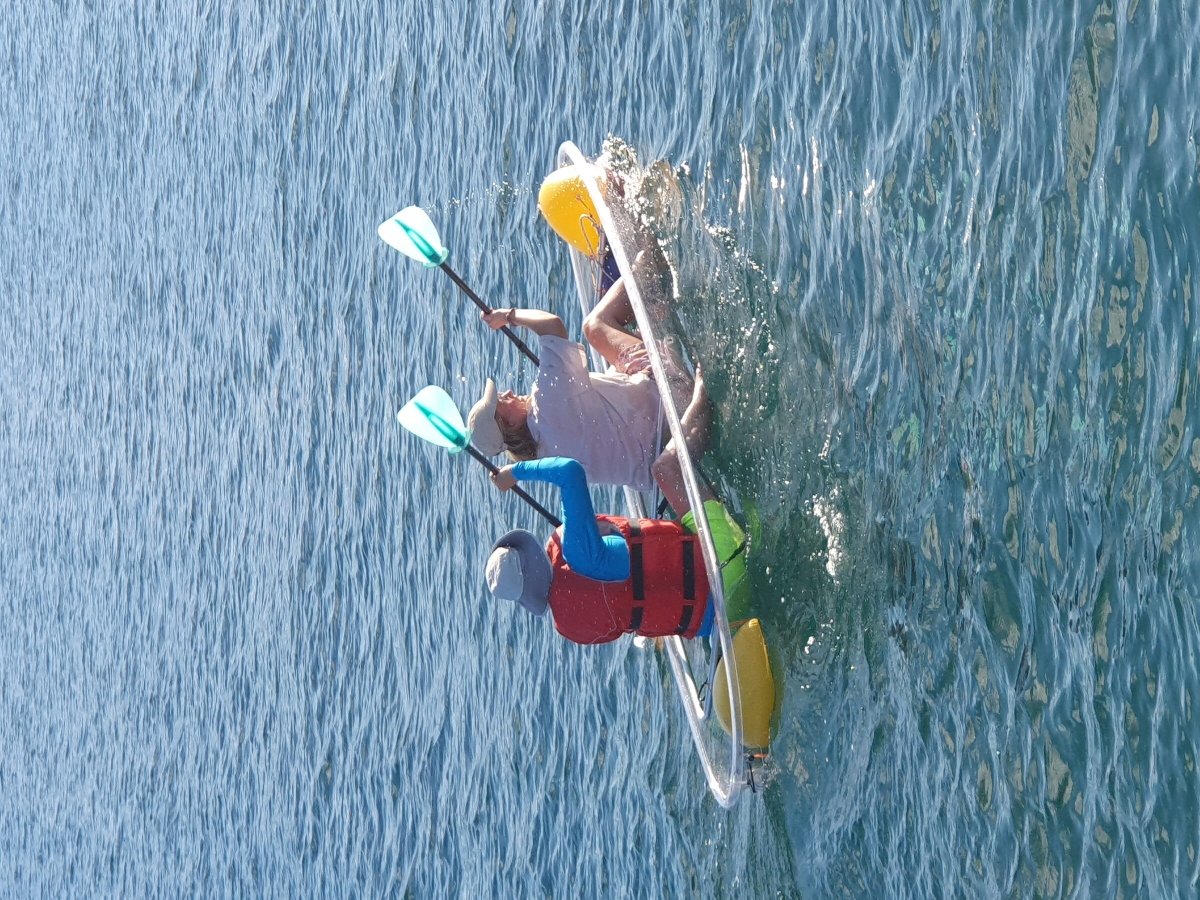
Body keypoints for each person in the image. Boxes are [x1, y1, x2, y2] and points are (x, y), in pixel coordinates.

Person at [467, 253, 703, 506]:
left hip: (666, 459)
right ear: (509, 422)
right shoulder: (547, 404)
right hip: (668, 401)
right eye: (500, 401)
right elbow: (551, 325)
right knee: (594, 326)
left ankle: (653, 311)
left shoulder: (547, 459)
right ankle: (653, 257)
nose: (507, 392)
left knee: (612, 372)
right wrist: (508, 316)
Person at [485, 455, 735, 645]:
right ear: (530, 554)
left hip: (707, 622)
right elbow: (569, 471)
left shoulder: (568, 627)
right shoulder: (575, 549)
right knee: (665, 468)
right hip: (719, 564)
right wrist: (514, 473)